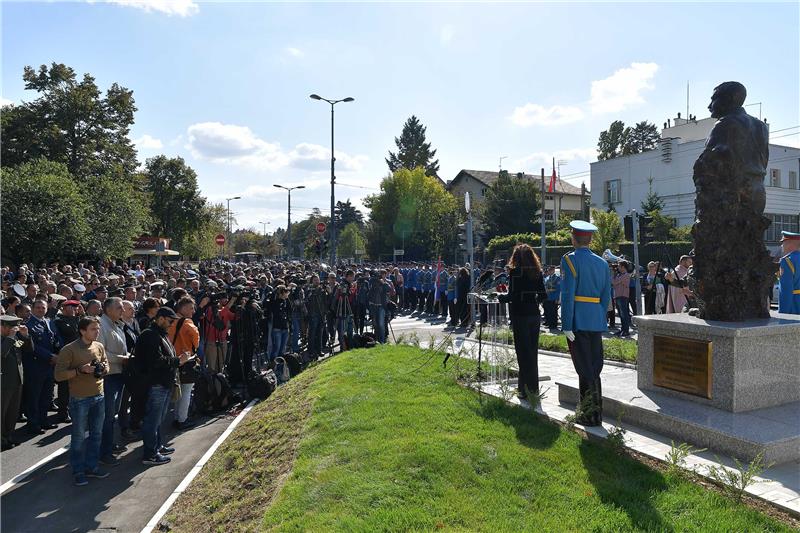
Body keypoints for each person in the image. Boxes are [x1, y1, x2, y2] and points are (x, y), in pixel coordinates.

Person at [560, 221, 612, 426]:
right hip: (595, 320)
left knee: (584, 368)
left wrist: (566, 323)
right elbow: (606, 295)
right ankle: (596, 413)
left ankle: (589, 414)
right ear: (590, 239)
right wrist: (599, 317)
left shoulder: (570, 260)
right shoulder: (602, 263)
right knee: (594, 367)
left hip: (578, 320)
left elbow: (567, 294)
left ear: (574, 238)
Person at [55, 316, 110, 486]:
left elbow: (106, 365)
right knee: (78, 436)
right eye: (93, 329)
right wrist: (79, 370)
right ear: (82, 331)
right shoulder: (69, 349)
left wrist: (101, 370)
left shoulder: (99, 346)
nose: (97, 331)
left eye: (98, 328)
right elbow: (58, 375)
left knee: (96, 434)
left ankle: (92, 466)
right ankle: (78, 470)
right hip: (79, 398)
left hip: (99, 396)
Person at [135, 307, 193, 466]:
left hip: (163, 383)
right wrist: (178, 361)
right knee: (152, 420)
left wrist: (177, 360)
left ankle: (157, 446)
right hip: (155, 384)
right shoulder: (149, 335)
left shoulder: (159, 334)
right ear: (160, 318)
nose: (171, 324)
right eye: (169, 321)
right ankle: (150, 454)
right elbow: (155, 361)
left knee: (158, 419)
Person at [498, 245, 547, 399]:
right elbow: (543, 295)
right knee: (532, 352)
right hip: (534, 315)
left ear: (516, 257)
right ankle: (529, 390)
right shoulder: (537, 272)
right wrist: (533, 300)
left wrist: (500, 297)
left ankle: (527, 390)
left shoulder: (515, 272)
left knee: (522, 353)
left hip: (520, 315)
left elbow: (511, 296)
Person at [98, 297, 130, 466]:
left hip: (118, 374)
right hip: (109, 376)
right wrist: (121, 359)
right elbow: (99, 353)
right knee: (107, 415)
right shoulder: (101, 326)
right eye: (119, 308)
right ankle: (104, 451)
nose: (122, 311)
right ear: (108, 309)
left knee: (112, 414)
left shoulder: (115, 324)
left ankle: (109, 445)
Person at [24, 300, 60, 434]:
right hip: (36, 366)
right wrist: (50, 356)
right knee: (34, 397)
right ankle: (33, 423)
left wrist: (58, 353)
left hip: (50, 366)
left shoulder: (49, 322)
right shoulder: (28, 325)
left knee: (46, 396)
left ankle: (44, 420)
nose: (40, 310)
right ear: (32, 309)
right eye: (37, 307)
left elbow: (56, 338)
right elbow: (32, 347)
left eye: (43, 307)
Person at [168, 297, 200, 430]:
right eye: (191, 308)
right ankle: (183, 419)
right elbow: (196, 341)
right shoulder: (187, 323)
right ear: (183, 308)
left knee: (178, 392)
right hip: (186, 360)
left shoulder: (170, 321)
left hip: (174, 360)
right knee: (186, 392)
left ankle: (177, 418)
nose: (193, 311)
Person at [1, 315, 31, 450]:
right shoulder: (7, 339)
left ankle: (8, 436)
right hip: (3, 382)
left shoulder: (14, 338)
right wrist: (9, 338)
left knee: (12, 412)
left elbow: (28, 349)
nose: (15, 329)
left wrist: (25, 336)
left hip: (17, 380)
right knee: (2, 412)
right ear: (4, 327)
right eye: (13, 327)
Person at [368, 270, 395, 344]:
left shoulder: (383, 283)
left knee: (381, 324)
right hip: (373, 306)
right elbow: (369, 291)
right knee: (375, 324)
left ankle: (382, 341)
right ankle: (377, 340)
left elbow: (389, 289)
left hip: (381, 306)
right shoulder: (372, 282)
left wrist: (382, 282)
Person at [778, 231, 800, 315]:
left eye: (783, 243)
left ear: (790, 244)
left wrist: (783, 313)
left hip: (794, 307)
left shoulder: (787, 260)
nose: (782, 246)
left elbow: (785, 290)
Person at [268, 286, 290, 360]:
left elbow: (290, 310)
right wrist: (277, 292)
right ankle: (273, 362)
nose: (287, 294)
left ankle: (281, 363)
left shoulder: (286, 301)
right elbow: (272, 308)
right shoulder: (275, 302)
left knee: (283, 348)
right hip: (277, 328)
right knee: (276, 347)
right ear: (281, 293)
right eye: (285, 292)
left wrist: (287, 299)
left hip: (285, 327)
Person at [612, 261, 632, 337]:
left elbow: (614, 282)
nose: (618, 268)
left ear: (623, 267)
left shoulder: (626, 275)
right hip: (618, 296)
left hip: (623, 296)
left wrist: (614, 276)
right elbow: (614, 282)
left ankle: (626, 330)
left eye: (619, 266)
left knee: (624, 314)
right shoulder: (619, 275)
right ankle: (623, 329)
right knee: (621, 314)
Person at [542, 266, 561, 330]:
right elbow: (545, 287)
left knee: (553, 312)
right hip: (547, 297)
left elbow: (558, 289)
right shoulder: (547, 278)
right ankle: (550, 324)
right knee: (548, 312)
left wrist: (557, 298)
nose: (549, 271)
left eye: (550, 270)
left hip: (553, 297)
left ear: (553, 270)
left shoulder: (557, 278)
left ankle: (554, 325)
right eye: (549, 270)